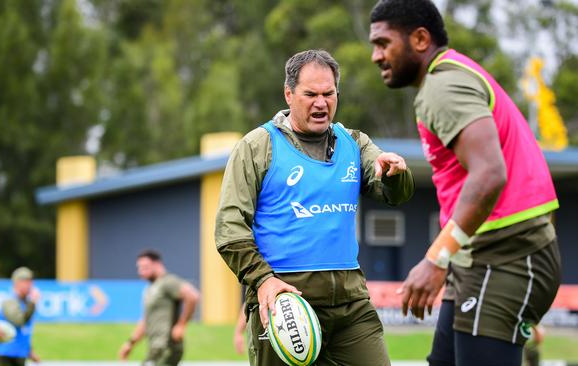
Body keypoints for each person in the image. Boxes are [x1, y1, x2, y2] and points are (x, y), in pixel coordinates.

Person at [368, 1, 562, 365]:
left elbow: (490, 175)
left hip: (508, 256)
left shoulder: (443, 85)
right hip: (478, 257)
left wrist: (435, 258)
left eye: (383, 43)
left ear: (421, 39)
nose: (376, 56)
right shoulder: (450, 77)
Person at [215, 49, 415, 366]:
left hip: (351, 304)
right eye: (311, 94)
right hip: (285, 304)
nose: (321, 103)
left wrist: (393, 175)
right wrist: (263, 279)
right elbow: (229, 230)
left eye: (329, 93)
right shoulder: (257, 147)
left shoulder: (355, 142)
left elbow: (392, 193)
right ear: (289, 94)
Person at [118, 250, 200, 366]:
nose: (141, 272)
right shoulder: (150, 289)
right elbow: (145, 321)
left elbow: (192, 296)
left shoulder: (168, 281)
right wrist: (130, 343)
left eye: (145, 267)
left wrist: (181, 324)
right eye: (139, 268)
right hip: (155, 347)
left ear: (158, 264)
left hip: (166, 346)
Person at [0, 267, 41, 366]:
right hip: (5, 354)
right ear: (17, 283)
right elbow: (19, 321)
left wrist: (29, 351)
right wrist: (33, 303)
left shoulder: (26, 302)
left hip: (19, 354)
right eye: (26, 281)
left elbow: (24, 331)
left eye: (31, 281)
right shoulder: (9, 301)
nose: (30, 285)